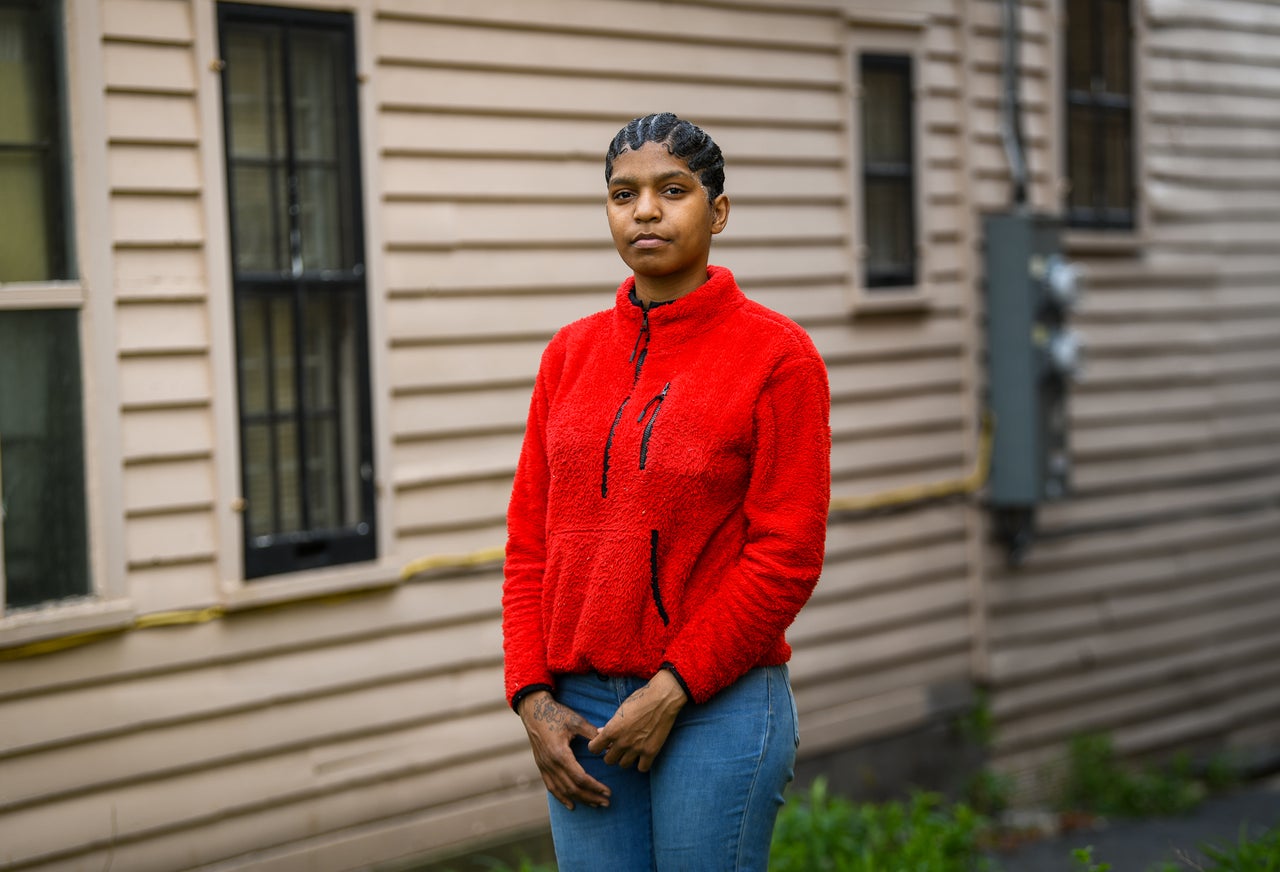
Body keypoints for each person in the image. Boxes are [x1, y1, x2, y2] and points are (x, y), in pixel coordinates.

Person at [501, 112, 831, 872]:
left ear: (717, 211)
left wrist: (672, 688)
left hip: (717, 702)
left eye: (671, 190)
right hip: (579, 711)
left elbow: (786, 555)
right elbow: (529, 546)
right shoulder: (569, 356)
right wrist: (530, 698)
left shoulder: (778, 358)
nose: (644, 209)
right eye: (624, 193)